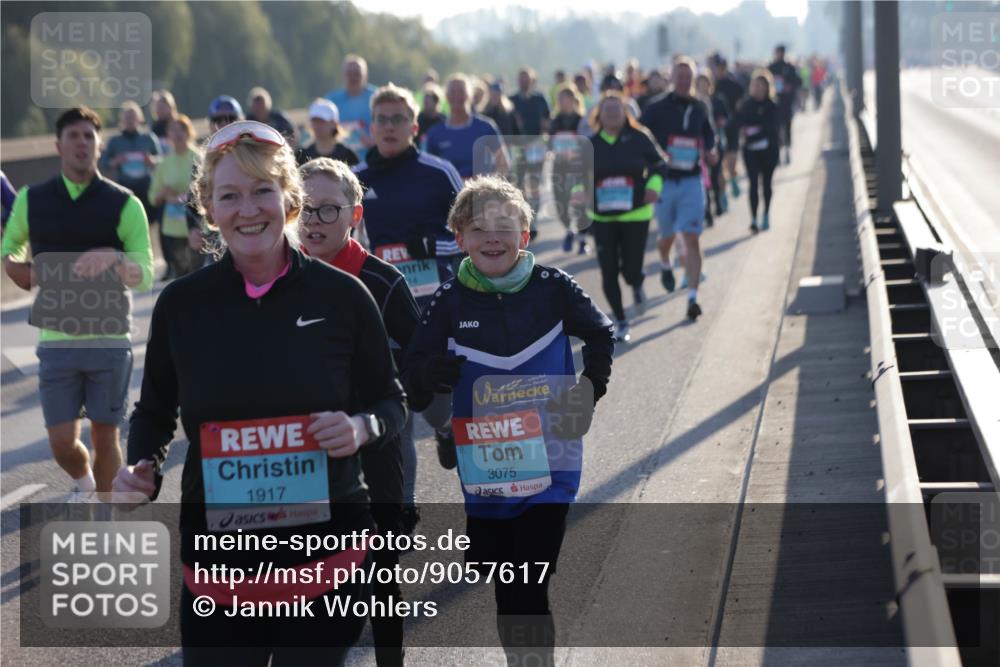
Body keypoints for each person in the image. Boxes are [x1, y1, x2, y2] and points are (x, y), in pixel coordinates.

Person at [113, 120, 406, 665]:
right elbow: (154, 411)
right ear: (209, 208)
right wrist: (142, 467)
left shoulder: (345, 297)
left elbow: (392, 402)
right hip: (218, 570)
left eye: (262, 191)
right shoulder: (182, 305)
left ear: (289, 199)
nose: (248, 209)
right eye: (230, 195)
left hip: (325, 564)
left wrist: (361, 428)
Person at [403, 175, 614, 667]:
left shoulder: (553, 288)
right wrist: (432, 371)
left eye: (504, 226)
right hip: (488, 466)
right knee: (506, 585)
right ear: (460, 239)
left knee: (530, 580)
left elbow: (601, 334)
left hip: (552, 463)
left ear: (525, 234)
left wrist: (589, 387)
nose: (491, 237)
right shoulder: (450, 299)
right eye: (478, 228)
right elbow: (412, 368)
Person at [299, 157, 418, 667]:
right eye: (304, 209)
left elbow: (417, 364)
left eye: (328, 209)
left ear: (355, 214)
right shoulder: (273, 278)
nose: (314, 221)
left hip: (374, 450)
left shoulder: (384, 281)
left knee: (380, 576)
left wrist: (372, 406)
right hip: (302, 457)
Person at [2, 107, 154, 500]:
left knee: (106, 437)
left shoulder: (125, 203)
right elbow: (11, 248)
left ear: (100, 146)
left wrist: (117, 260)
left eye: (89, 136)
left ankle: (104, 512)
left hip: (109, 338)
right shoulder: (32, 201)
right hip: (56, 339)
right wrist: (17, 269)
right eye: (74, 136)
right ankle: (84, 483)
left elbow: (146, 273)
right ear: (58, 146)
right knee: (60, 443)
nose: (82, 143)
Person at [352, 83, 464, 529]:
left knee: (435, 404)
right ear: (371, 127)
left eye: (400, 119)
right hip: (379, 312)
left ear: (414, 126)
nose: (391, 127)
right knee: (395, 411)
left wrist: (428, 245)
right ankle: (404, 503)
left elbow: (469, 233)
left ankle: (445, 427)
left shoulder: (438, 173)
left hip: (434, 310)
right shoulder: (356, 178)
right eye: (383, 119)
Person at [575, 92, 669, 343]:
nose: (613, 114)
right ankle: (621, 319)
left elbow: (660, 164)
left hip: (636, 215)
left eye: (617, 110)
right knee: (608, 272)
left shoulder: (639, 138)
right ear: (599, 116)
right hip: (603, 218)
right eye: (607, 110)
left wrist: (654, 186)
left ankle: (637, 283)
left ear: (625, 113)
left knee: (630, 270)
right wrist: (577, 194)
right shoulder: (591, 144)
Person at [640, 57, 717, 321]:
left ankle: (693, 299)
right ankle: (665, 261)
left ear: (694, 80)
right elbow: (641, 133)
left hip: (691, 181)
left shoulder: (699, 107)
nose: (684, 81)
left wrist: (710, 149)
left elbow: (708, 134)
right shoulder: (657, 107)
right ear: (672, 78)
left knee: (692, 237)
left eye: (689, 77)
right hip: (665, 182)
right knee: (667, 238)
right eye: (680, 76)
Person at [148, 114, 203, 279]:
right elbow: (152, 197)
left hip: (195, 225)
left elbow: (208, 188)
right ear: (169, 135)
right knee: (180, 276)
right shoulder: (165, 163)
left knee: (197, 274)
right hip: (172, 227)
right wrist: (163, 194)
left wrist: (187, 196)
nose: (178, 134)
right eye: (174, 130)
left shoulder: (198, 158)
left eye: (182, 130)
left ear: (189, 133)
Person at [423, 74, 508, 180]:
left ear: (470, 95)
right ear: (446, 96)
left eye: (461, 92)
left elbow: (503, 164)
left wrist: (488, 186)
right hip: (449, 195)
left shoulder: (486, 127)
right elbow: (428, 170)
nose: (457, 96)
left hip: (480, 194)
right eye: (452, 92)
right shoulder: (435, 133)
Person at [735, 70, 781, 233]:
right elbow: (740, 124)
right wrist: (748, 132)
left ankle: (766, 214)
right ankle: (753, 219)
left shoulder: (772, 105)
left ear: (767, 87)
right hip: (750, 152)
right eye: (755, 85)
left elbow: (770, 129)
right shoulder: (747, 104)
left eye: (762, 86)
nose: (758, 89)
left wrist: (752, 132)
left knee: (766, 184)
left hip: (769, 151)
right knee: (753, 184)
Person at [99, 100, 161, 218]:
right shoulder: (115, 141)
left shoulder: (148, 138)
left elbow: (162, 160)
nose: (130, 120)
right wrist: (115, 161)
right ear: (121, 120)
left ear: (140, 118)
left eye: (133, 117)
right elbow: (103, 163)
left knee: (149, 220)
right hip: (125, 188)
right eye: (127, 118)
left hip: (147, 187)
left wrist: (152, 160)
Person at [549, 85, 589, 255]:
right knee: (561, 202)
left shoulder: (582, 120)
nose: (564, 103)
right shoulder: (555, 120)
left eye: (567, 99)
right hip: (559, 167)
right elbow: (550, 143)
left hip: (578, 167)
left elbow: (588, 143)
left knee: (580, 202)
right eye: (561, 100)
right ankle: (569, 230)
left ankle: (582, 240)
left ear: (574, 100)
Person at [510, 68, 551, 227]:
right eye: (521, 79)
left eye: (527, 79)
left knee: (534, 181)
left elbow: (547, 120)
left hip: (536, 146)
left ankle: (533, 217)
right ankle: (522, 217)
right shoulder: (511, 100)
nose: (524, 82)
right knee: (518, 182)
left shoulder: (540, 99)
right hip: (518, 147)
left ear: (532, 80)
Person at [326, 54, 378, 160]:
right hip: (340, 160)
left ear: (365, 75)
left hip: (370, 159)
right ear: (343, 75)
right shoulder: (332, 100)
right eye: (349, 74)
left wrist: (376, 141)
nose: (353, 77)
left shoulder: (377, 97)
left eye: (357, 73)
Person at [710, 57, 746, 199]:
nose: (718, 70)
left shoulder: (735, 85)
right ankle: (722, 192)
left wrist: (739, 124)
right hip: (716, 129)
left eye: (720, 67)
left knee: (731, 162)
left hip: (732, 127)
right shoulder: (712, 86)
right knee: (719, 165)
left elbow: (740, 107)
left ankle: (733, 179)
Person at [296, 98, 359, 167]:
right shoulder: (301, 155)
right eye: (315, 121)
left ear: (334, 124)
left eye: (322, 121)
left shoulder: (348, 155)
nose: (317, 125)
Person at [767, 44, 802, 164]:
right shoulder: (770, 68)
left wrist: (790, 86)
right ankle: (777, 153)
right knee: (775, 130)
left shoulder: (789, 67)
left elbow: (798, 81)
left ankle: (787, 151)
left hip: (786, 104)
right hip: (773, 104)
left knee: (787, 127)